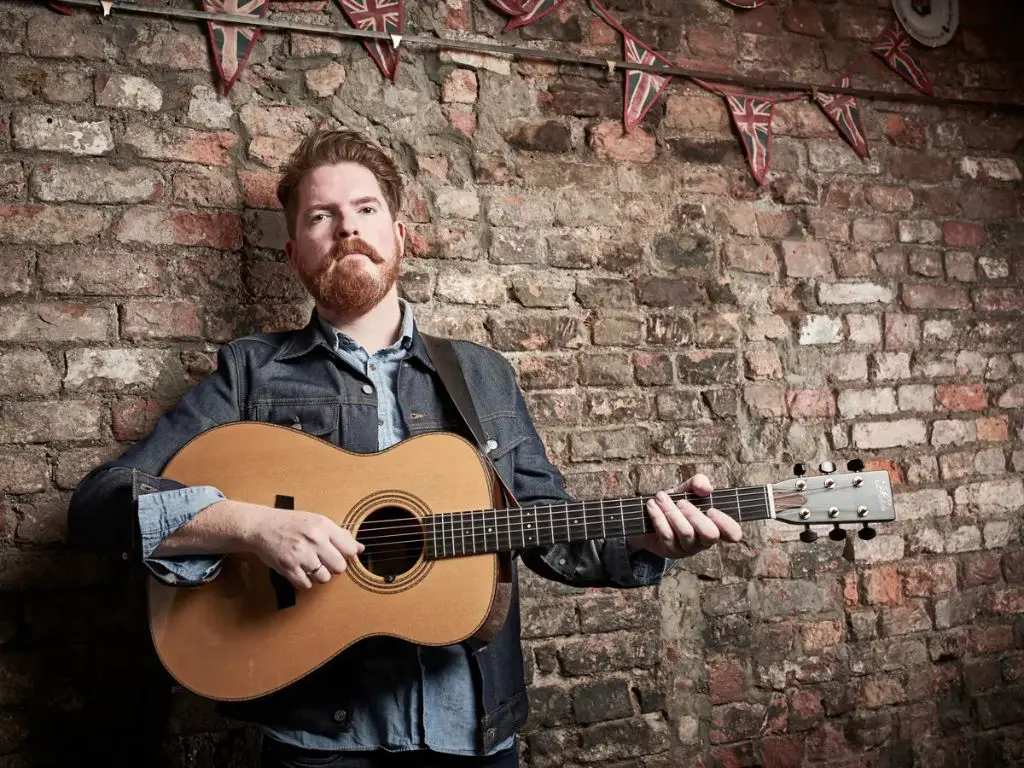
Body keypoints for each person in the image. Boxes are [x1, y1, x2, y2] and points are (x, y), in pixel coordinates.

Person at [68, 128, 743, 768]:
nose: (346, 228)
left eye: (365, 208)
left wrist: (651, 543)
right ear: (295, 251)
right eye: (319, 217)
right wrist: (251, 526)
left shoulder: (481, 376)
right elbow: (99, 506)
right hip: (317, 737)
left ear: (401, 235)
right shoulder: (250, 373)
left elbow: (548, 528)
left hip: (472, 729)